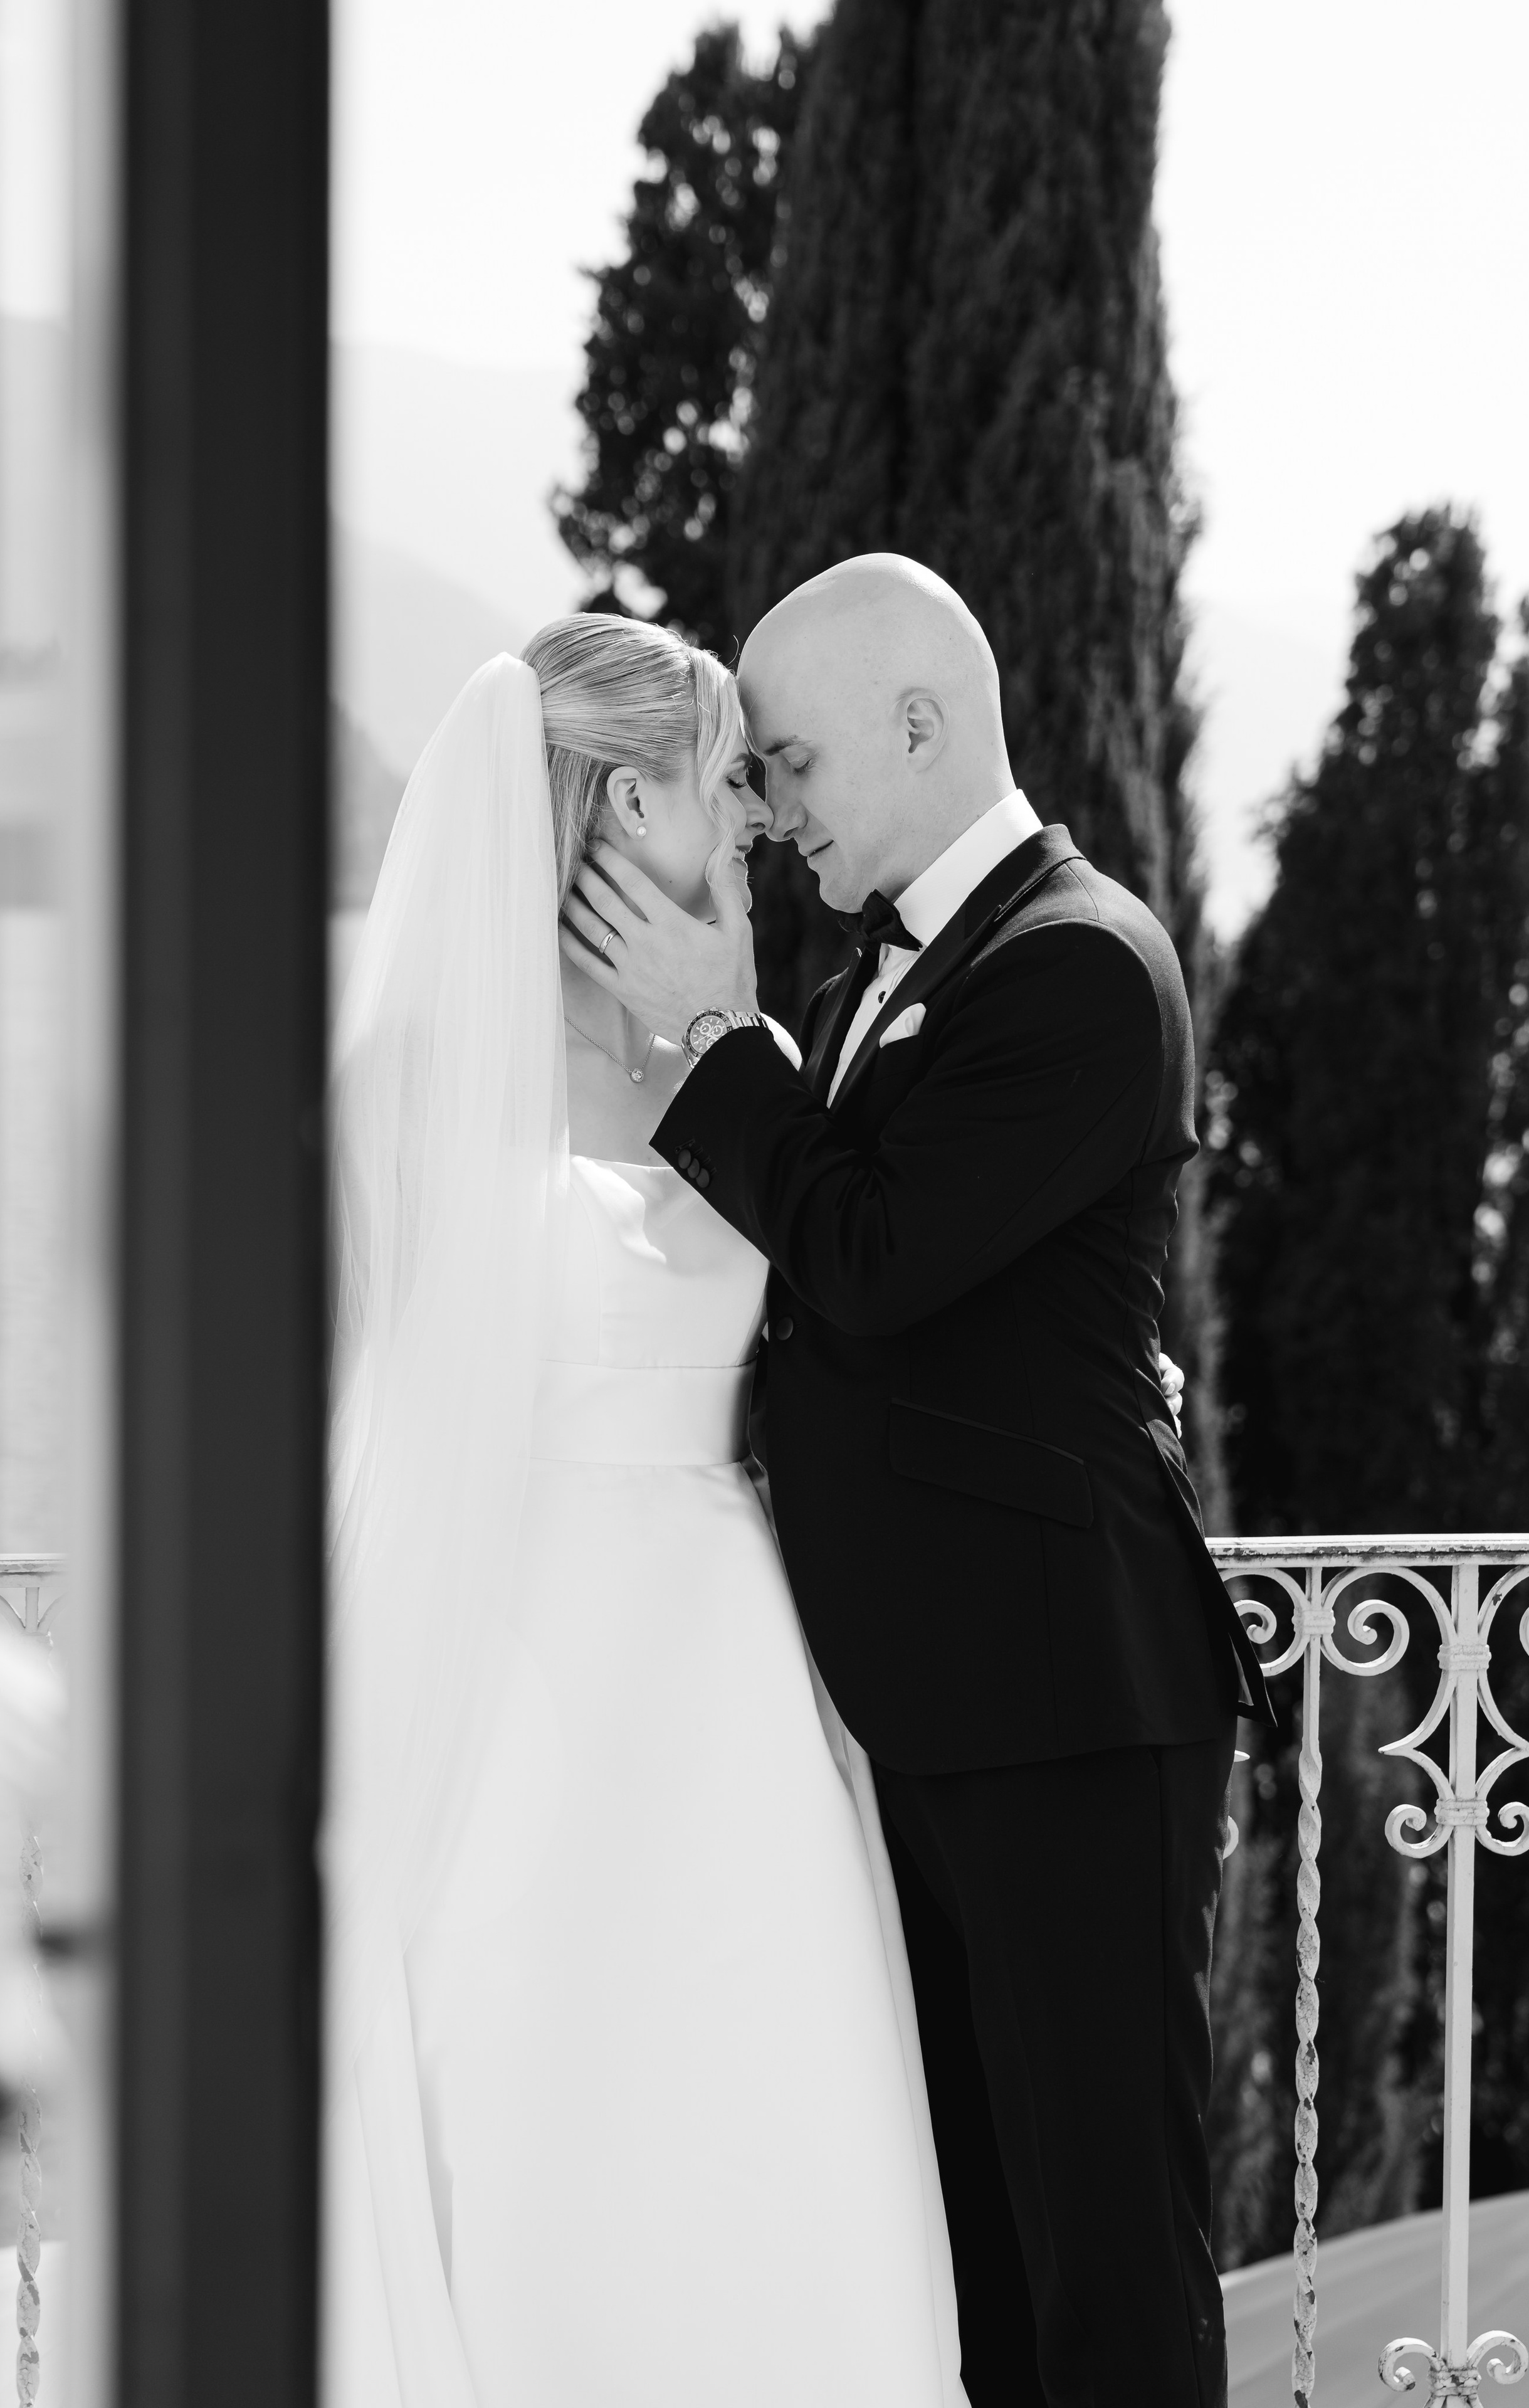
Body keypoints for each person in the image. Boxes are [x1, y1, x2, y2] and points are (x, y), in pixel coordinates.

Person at [562, 554, 1275, 2408]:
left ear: (919, 725)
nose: (773, 808)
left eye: (792, 763)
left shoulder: (1085, 967)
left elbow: (869, 1262)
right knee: (978, 2255)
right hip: (933, 1703)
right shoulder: (898, 970)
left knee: (1106, 2258)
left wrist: (720, 1041)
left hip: (1065, 1704)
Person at [322, 620, 970, 2407]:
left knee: (768, 2093)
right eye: (720, 785)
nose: (754, 820)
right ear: (621, 799)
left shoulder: (738, 1048)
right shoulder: (417, 1078)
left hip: (737, 1667)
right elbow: (374, 1401)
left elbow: (851, 1297)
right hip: (515, 1649)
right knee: (535, 2092)